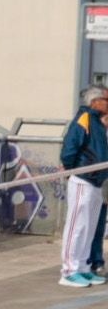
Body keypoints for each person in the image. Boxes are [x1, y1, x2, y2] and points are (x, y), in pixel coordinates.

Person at [55, 86, 108, 287]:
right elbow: (70, 148)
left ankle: (83, 267)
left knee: (89, 226)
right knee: (77, 225)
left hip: (96, 181)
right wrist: (72, 170)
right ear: (95, 101)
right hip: (82, 179)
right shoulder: (84, 119)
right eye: (106, 100)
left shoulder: (98, 123)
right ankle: (69, 271)